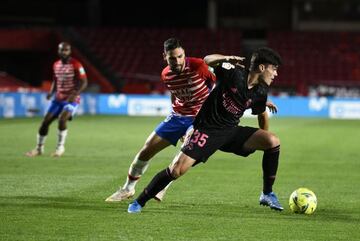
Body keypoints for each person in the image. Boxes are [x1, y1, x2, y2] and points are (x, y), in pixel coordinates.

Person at [127, 47, 284, 213]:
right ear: (261, 68)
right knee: (176, 170)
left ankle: (267, 193)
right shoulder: (234, 73)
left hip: (230, 131)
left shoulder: (261, 91)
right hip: (206, 130)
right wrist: (226, 58)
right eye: (274, 69)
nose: (276, 74)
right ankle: (139, 202)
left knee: (272, 141)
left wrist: (263, 137)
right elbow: (207, 60)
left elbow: (261, 114)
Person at [105, 38, 217, 202]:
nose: (177, 61)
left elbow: (212, 83)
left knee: (185, 150)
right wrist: (175, 111)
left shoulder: (197, 65)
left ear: (184, 53)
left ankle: (163, 186)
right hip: (178, 116)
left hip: (200, 118)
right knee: (146, 150)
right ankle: (127, 189)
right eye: (172, 58)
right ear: (164, 56)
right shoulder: (165, 74)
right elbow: (174, 92)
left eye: (180, 56)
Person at [26, 42, 88, 157]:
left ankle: (60, 148)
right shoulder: (56, 65)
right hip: (58, 99)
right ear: (58, 51)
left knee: (62, 119)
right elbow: (55, 80)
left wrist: (75, 93)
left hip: (71, 99)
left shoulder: (76, 64)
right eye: (62, 50)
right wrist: (51, 92)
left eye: (66, 50)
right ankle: (39, 148)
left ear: (70, 51)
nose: (64, 52)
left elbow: (84, 82)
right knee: (45, 122)